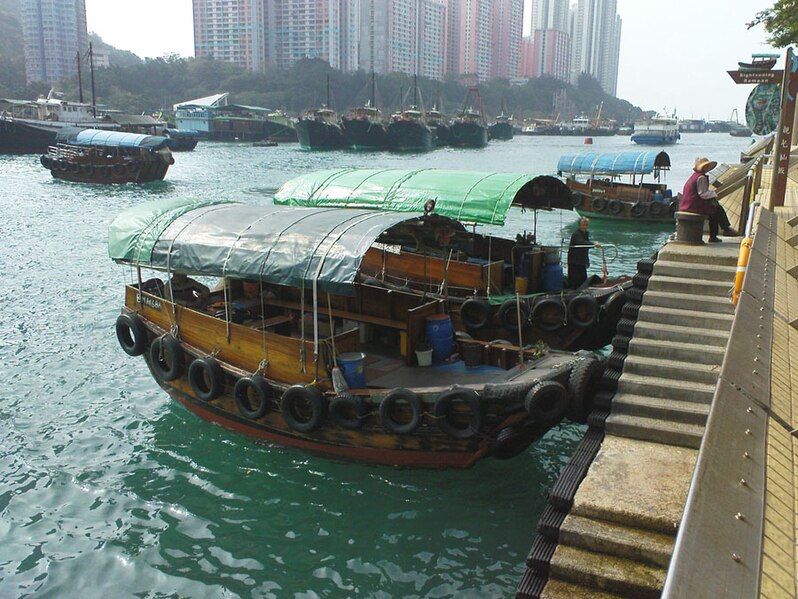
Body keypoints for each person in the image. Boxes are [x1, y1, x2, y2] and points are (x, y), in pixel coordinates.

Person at [680, 157, 738, 242]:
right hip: (693, 206)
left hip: (687, 204)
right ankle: (719, 233)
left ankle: (723, 230)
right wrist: (714, 194)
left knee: (715, 208)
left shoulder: (694, 176)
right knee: (715, 211)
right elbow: (703, 194)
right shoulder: (701, 177)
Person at [568, 217, 599, 288]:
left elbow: (586, 248)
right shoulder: (576, 234)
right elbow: (581, 243)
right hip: (574, 260)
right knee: (574, 279)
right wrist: (593, 243)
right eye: (583, 225)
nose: (585, 226)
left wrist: (587, 260)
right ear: (579, 225)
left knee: (583, 278)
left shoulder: (586, 233)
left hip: (582, 260)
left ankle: (582, 291)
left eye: (586, 225)